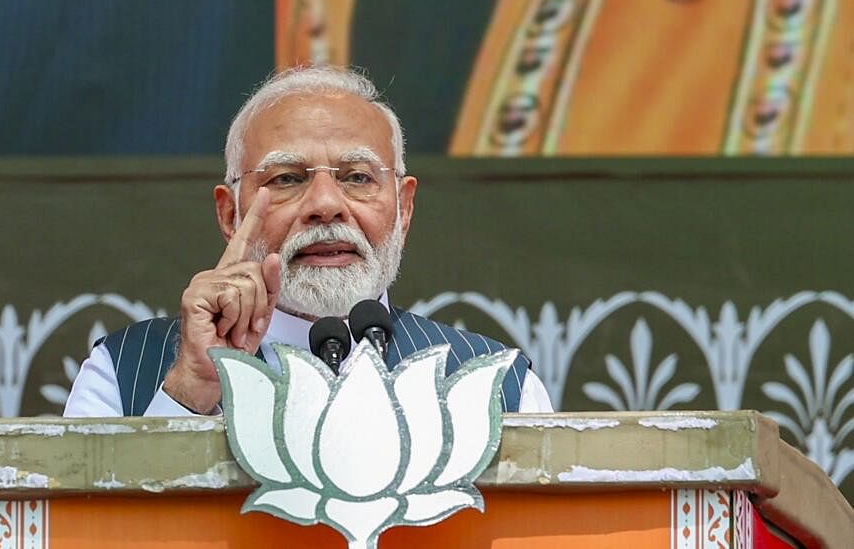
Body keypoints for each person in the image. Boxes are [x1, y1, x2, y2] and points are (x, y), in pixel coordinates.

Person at [64, 66, 552, 417]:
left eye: (358, 177)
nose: (325, 204)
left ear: (404, 208)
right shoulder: (120, 373)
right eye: (287, 178)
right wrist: (192, 390)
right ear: (230, 213)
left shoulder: (500, 387)